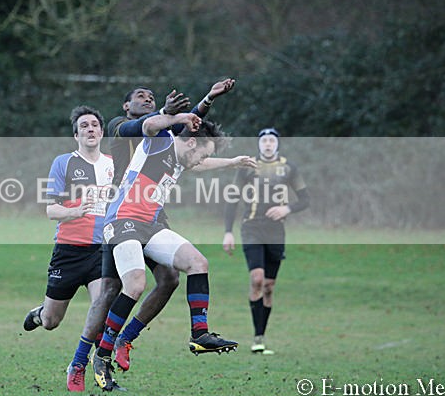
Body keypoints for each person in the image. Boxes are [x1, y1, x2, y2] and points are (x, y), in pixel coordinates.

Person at [102, 80, 254, 374]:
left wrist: (209, 100)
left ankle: (199, 335)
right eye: (203, 153)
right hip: (122, 221)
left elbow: (197, 153)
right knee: (131, 286)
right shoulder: (159, 141)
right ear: (192, 143)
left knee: (198, 263)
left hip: (150, 224)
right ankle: (103, 352)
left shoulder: (183, 154)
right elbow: (151, 126)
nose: (202, 161)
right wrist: (174, 115)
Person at [22, 106, 116, 392]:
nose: (90, 129)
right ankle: (39, 313)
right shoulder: (63, 163)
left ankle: (90, 368)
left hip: (102, 249)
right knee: (52, 321)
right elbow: (51, 210)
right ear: (76, 135)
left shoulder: (114, 164)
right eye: (84, 126)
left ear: (101, 132)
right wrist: (74, 213)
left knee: (103, 310)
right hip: (69, 250)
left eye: (94, 125)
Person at [222, 128, 309, 355]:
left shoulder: (289, 168)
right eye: (264, 141)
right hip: (251, 228)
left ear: (277, 144)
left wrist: (286, 208)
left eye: (271, 140)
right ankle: (256, 338)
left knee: (269, 286)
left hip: (276, 232)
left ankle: (260, 336)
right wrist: (228, 232)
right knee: (257, 279)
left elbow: (305, 199)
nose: (267, 144)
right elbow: (232, 200)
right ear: (259, 144)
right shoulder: (247, 167)